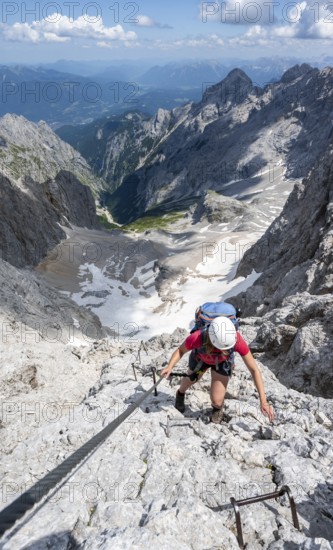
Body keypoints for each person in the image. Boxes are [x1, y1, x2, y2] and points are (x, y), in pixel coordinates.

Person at [161, 316, 275, 424]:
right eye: (223, 348)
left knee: (217, 400)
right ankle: (180, 393)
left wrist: (263, 401)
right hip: (201, 360)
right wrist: (169, 367)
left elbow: (254, 370)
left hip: (222, 363)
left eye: (227, 348)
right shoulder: (198, 337)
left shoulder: (236, 340)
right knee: (190, 379)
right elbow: (181, 350)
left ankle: (217, 410)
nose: (226, 350)